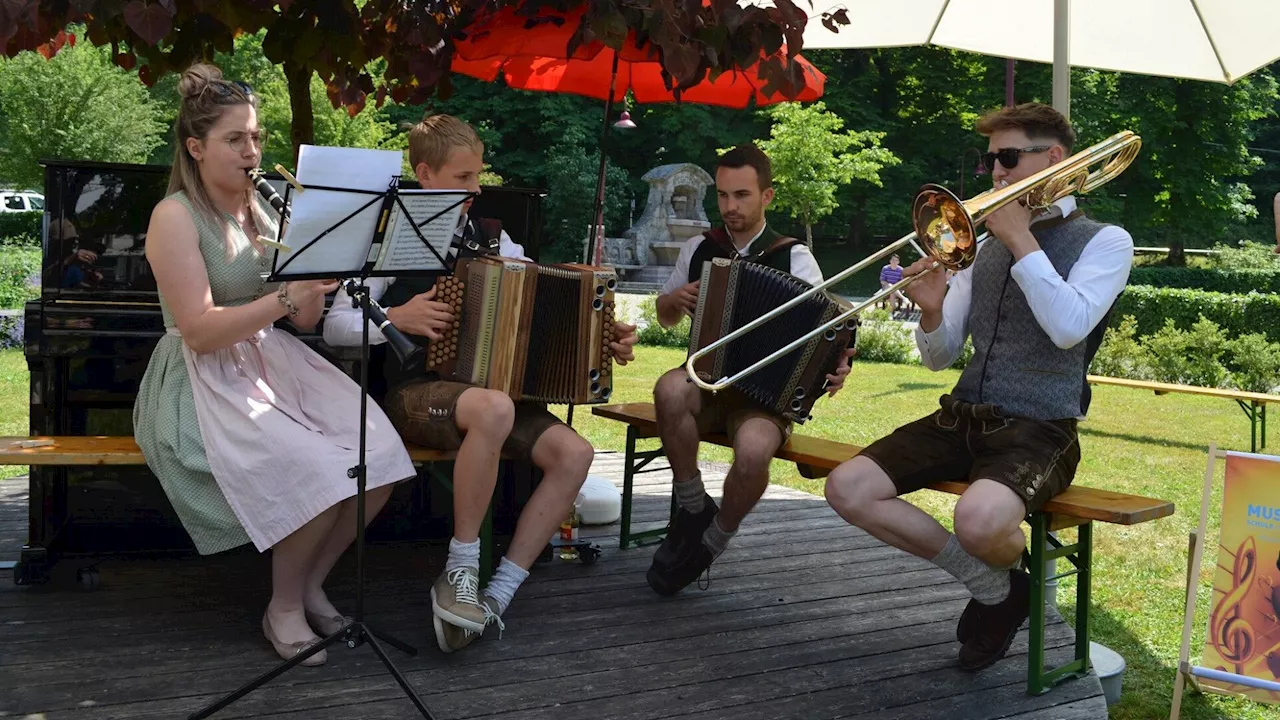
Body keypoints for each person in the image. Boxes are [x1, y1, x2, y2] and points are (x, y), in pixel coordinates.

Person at [823, 102, 1134, 671]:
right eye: (991, 160)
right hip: (963, 414)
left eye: (1008, 158)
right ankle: (998, 589)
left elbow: (1068, 329)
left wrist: (1022, 241)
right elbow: (940, 359)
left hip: (1042, 426)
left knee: (979, 521)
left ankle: (998, 585)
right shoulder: (981, 244)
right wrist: (932, 311)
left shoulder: (1106, 240)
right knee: (846, 488)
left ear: (1054, 159)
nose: (995, 173)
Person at [133, 64, 417, 667]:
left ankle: (312, 581)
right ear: (196, 147)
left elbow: (307, 325)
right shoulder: (175, 216)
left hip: (271, 361)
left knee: (380, 454)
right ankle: (283, 606)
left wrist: (322, 277)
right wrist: (285, 297)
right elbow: (201, 330)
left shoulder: (269, 212)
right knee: (314, 468)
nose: (251, 150)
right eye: (235, 140)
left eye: (256, 137)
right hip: (201, 377)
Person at [323, 113, 639, 653]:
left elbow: (550, 302)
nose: (476, 189)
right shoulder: (387, 236)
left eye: (478, 176)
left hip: (496, 397)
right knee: (493, 409)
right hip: (411, 393)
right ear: (424, 173)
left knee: (575, 453)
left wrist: (600, 336)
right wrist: (394, 317)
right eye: (462, 177)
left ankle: (497, 595)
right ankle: (461, 568)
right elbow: (335, 326)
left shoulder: (496, 239)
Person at [647, 144, 854, 596]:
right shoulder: (700, 248)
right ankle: (692, 504)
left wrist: (840, 366)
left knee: (756, 449)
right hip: (706, 379)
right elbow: (663, 315)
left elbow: (829, 328)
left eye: (741, 195)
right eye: (722, 196)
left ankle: (714, 538)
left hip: (765, 395)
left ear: (767, 196)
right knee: (668, 390)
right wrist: (673, 300)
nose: (729, 207)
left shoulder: (794, 256)